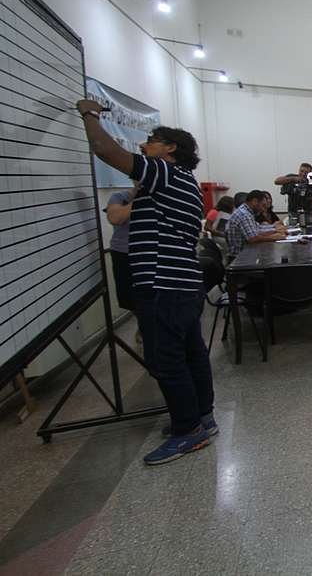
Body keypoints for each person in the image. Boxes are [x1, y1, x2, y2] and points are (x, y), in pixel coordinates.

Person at [78, 99, 215, 466]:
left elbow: (105, 149)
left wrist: (89, 114)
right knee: (191, 353)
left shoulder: (164, 173)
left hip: (163, 283)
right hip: (183, 281)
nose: (143, 145)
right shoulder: (185, 182)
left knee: (166, 359)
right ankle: (202, 417)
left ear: (170, 149)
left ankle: (188, 430)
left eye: (151, 141)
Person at [105, 185, 139, 315]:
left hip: (151, 254)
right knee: (132, 300)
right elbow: (115, 218)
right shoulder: (119, 197)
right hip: (124, 254)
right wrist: (141, 198)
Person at [225, 190, 287, 259]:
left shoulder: (247, 212)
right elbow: (253, 239)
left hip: (245, 255)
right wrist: (274, 237)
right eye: (263, 205)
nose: (263, 209)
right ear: (255, 201)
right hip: (239, 258)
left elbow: (258, 228)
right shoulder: (244, 214)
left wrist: (275, 230)